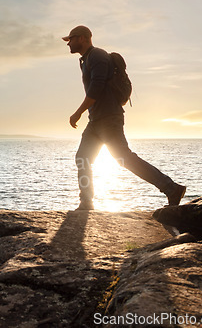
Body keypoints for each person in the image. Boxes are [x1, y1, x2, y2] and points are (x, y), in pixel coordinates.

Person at [62, 25, 186, 211]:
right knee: (83, 157)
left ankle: (171, 188)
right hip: (96, 120)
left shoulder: (97, 56)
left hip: (109, 119)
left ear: (82, 38)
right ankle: (86, 202)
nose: (68, 43)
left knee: (123, 158)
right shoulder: (86, 60)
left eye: (70, 39)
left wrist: (77, 112)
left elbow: (96, 88)